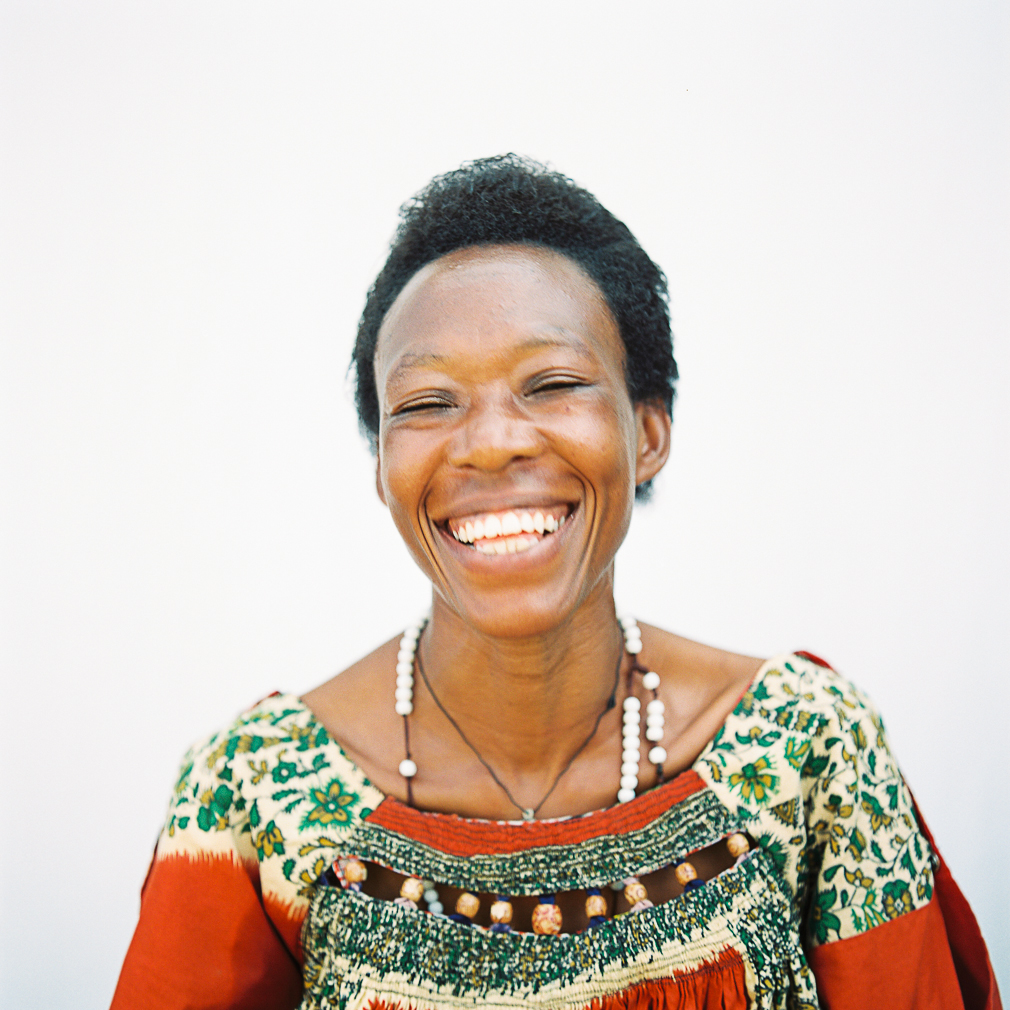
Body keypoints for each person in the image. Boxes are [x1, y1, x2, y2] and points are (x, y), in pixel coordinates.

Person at [111, 155, 1000, 1010]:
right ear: (382, 467)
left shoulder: (809, 748)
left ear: (647, 433)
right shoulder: (253, 793)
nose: (492, 442)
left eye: (554, 382)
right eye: (426, 403)